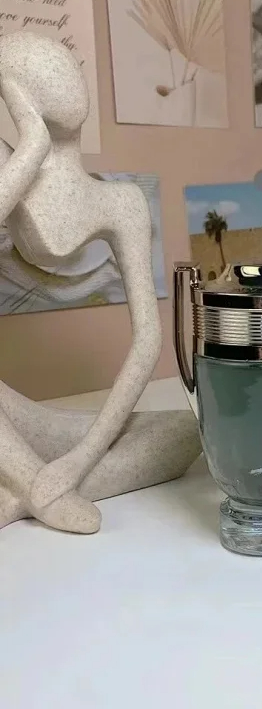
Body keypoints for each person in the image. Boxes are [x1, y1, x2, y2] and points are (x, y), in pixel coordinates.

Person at [0, 31, 162, 532]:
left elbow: (148, 341)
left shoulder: (122, 202)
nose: (70, 85)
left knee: (187, 433)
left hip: (72, 449)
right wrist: (31, 146)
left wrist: (79, 460)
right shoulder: (9, 169)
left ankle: (20, 492)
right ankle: (37, 487)